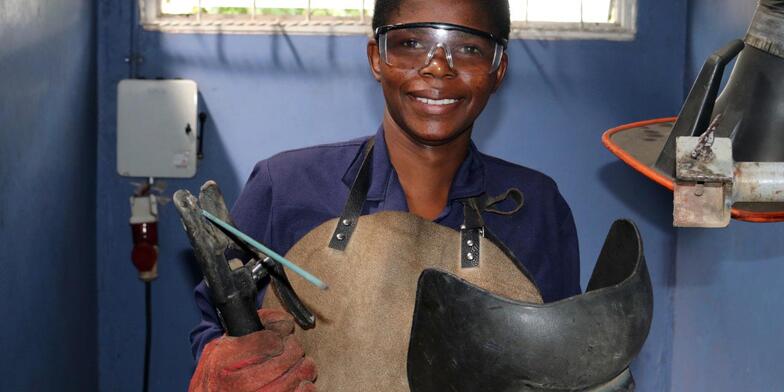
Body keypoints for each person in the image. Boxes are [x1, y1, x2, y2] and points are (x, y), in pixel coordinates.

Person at [188, 0, 580, 390]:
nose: (438, 66)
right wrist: (226, 368)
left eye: (469, 48)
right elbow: (215, 330)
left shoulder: (536, 207)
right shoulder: (286, 187)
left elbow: (569, 358)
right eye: (411, 43)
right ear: (376, 57)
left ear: (499, 71)